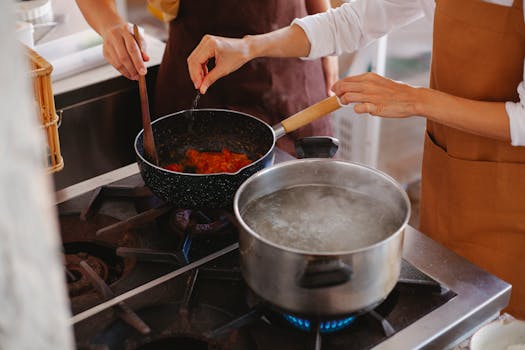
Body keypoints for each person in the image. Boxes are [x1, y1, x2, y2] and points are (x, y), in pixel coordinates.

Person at [186, 0, 525, 319]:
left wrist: (416, 100)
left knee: (506, 322)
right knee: (455, 299)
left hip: (512, 194)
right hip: (451, 165)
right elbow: (356, 20)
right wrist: (249, 46)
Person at [74, 0, 338, 155]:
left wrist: (327, 36)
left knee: (310, 203)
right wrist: (110, 25)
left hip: (291, 70)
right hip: (194, 75)